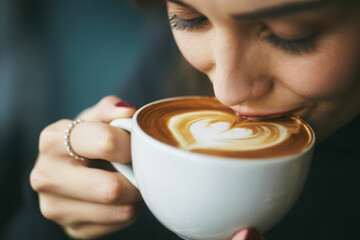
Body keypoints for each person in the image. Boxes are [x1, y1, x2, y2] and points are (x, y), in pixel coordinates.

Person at [30, 0, 360, 239]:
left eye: (290, 35)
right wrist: (68, 204)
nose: (227, 92)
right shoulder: (172, 67)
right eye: (190, 19)